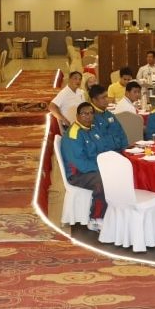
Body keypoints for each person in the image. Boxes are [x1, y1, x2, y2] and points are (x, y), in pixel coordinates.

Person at [60, 102, 105, 231]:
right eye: (84, 114)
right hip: (77, 174)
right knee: (103, 180)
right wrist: (103, 168)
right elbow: (80, 164)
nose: (88, 116)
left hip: (91, 168)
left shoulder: (92, 128)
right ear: (77, 116)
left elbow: (101, 148)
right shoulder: (74, 134)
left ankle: (111, 212)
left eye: (91, 113)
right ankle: (95, 218)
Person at [88, 84, 128, 153]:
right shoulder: (90, 118)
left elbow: (121, 133)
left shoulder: (109, 114)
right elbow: (97, 143)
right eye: (103, 98)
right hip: (105, 155)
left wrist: (125, 149)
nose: (107, 100)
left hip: (120, 151)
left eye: (106, 96)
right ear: (94, 100)